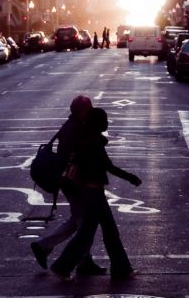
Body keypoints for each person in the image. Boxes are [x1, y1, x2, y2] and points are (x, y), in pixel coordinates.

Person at [50, 107, 142, 281]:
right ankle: (64, 266)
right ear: (97, 123)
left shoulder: (87, 139)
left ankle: (64, 266)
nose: (107, 123)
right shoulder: (93, 143)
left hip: (90, 192)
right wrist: (131, 177)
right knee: (101, 232)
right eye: (104, 120)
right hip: (93, 193)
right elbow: (108, 166)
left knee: (98, 232)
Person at [30, 96, 107, 275]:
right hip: (75, 182)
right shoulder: (75, 129)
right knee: (84, 222)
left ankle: (48, 248)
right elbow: (74, 156)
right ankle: (79, 260)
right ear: (82, 110)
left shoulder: (73, 125)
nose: (92, 110)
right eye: (89, 107)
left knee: (78, 220)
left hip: (73, 181)